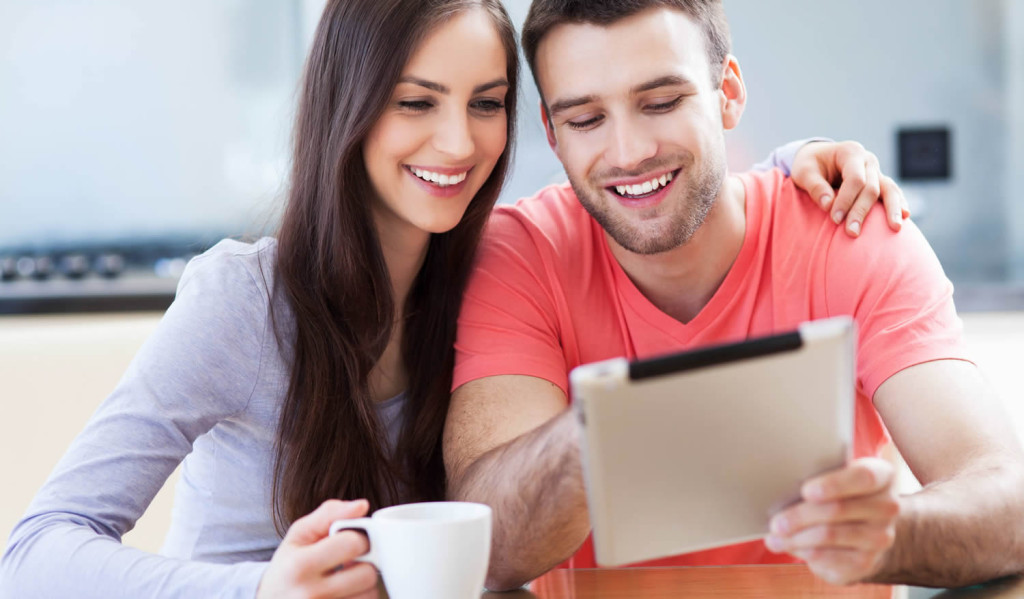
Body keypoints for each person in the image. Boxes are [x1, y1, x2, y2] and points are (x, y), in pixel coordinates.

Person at [0, 0, 902, 597]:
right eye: (416, 101)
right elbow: (36, 550)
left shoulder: (487, 272)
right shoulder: (243, 300)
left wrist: (801, 164)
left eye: (486, 102)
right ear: (349, 105)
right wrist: (261, 588)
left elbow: (685, 184)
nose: (457, 140)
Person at [444, 0, 1024, 592]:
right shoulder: (522, 255)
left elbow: (1008, 502)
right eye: (585, 119)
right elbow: (483, 541)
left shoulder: (851, 230)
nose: (629, 152)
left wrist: (893, 531)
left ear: (728, 92)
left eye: (662, 102)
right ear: (552, 132)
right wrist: (606, 430)